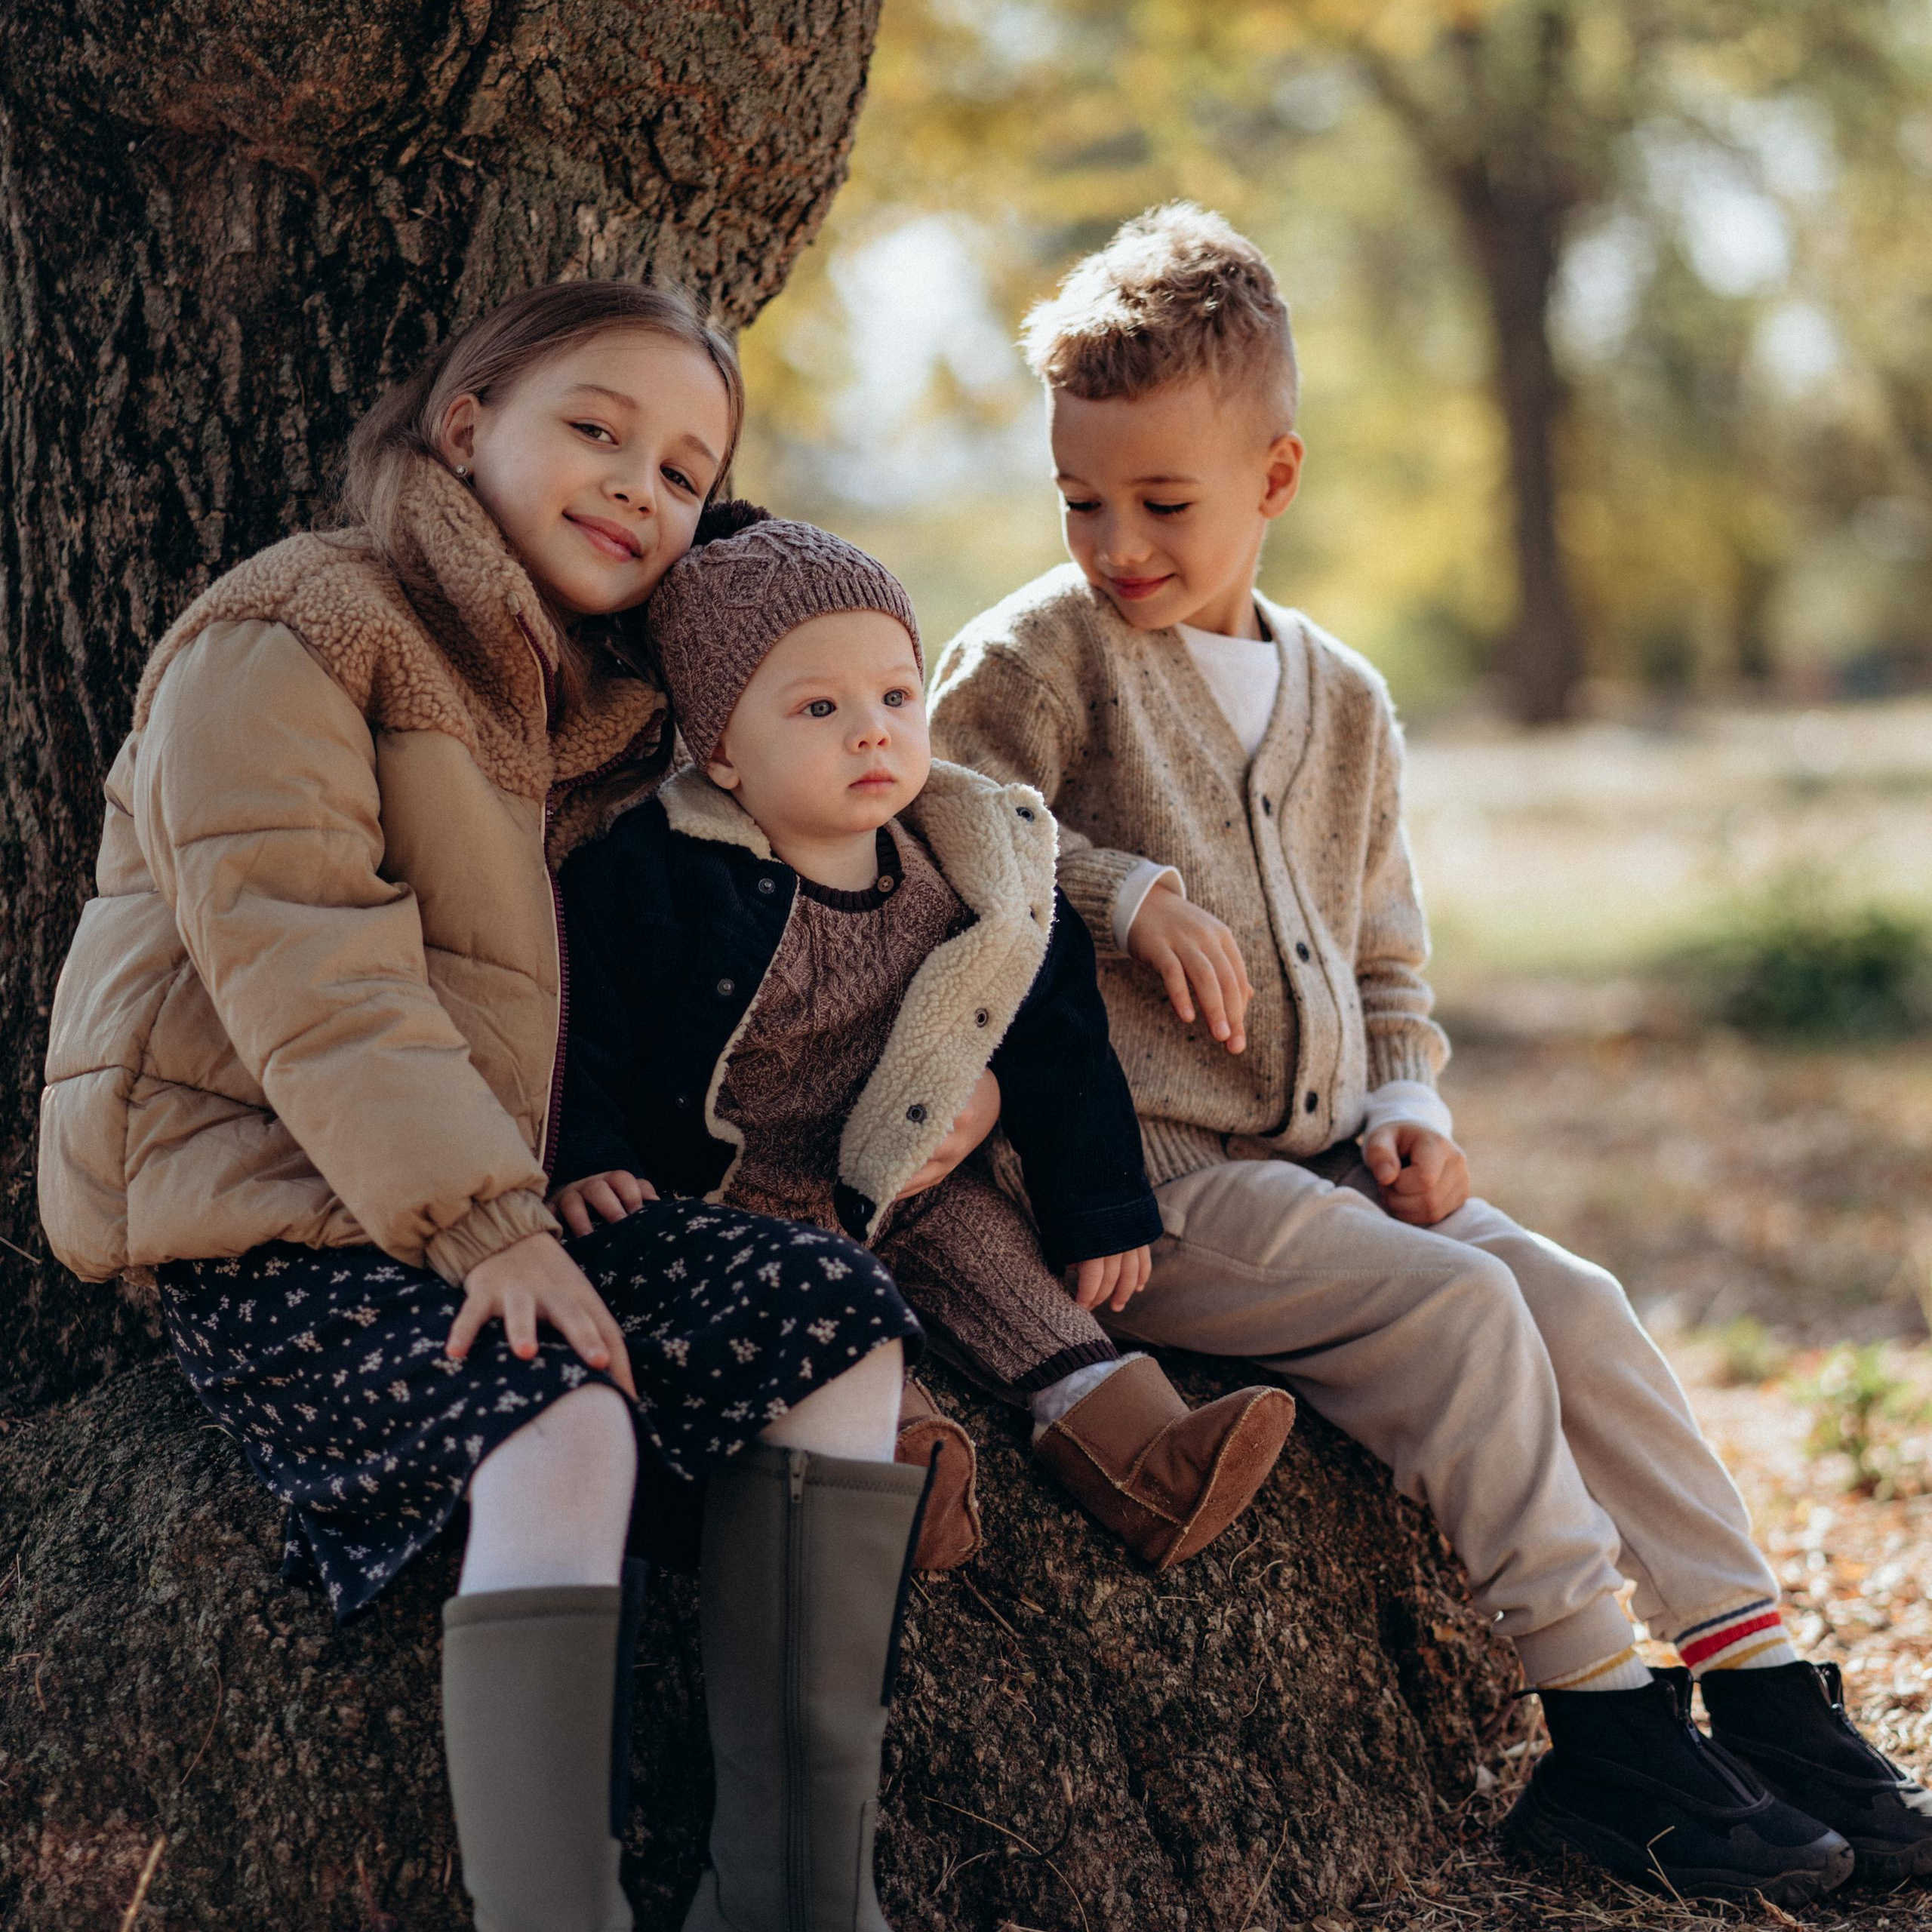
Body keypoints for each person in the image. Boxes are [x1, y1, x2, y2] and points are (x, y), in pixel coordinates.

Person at [927, 202, 1932, 1908]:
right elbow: (940, 826)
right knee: (1458, 1313)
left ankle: (1759, 1684)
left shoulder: (1344, 698)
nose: (1116, 542)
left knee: (1572, 1301)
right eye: (1079, 499)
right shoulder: (1037, 655)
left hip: (1325, 1167)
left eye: (1162, 502)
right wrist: (1118, 886)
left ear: (1276, 479)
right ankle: (1604, 1731)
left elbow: (1384, 945)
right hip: (1153, 1192)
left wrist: (1405, 1098)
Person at [38, 281, 946, 1932]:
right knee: (560, 1408)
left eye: (684, 471)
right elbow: (314, 967)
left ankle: (799, 1894)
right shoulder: (295, 628)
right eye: (595, 429)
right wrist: (488, 1223)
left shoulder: (605, 712)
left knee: (834, 1314)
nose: (637, 487)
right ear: (466, 430)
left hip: (505, 1205)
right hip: (269, 1208)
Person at [550, 510, 1294, 1575]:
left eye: (897, 698)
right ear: (719, 747)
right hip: (733, 1204)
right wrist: (586, 1154)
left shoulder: (963, 863)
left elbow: (1053, 1022)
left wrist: (1098, 1203)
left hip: (908, 1177)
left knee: (1010, 1283)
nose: (873, 732)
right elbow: (584, 1015)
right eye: (819, 707)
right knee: (830, 1341)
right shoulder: (657, 869)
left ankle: (1147, 1458)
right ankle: (896, 1484)